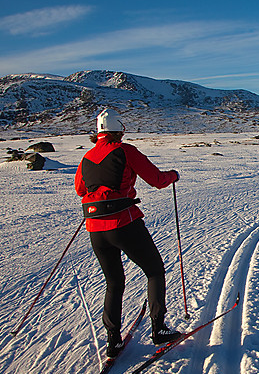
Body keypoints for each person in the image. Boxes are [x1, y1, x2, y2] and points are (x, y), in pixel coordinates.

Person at [75, 108, 182, 358]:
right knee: (154, 270)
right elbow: (156, 179)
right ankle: (159, 329)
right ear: (119, 130)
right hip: (123, 223)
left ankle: (113, 340)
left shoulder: (87, 157)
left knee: (114, 282)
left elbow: (81, 189)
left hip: (95, 228)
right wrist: (173, 176)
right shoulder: (125, 151)